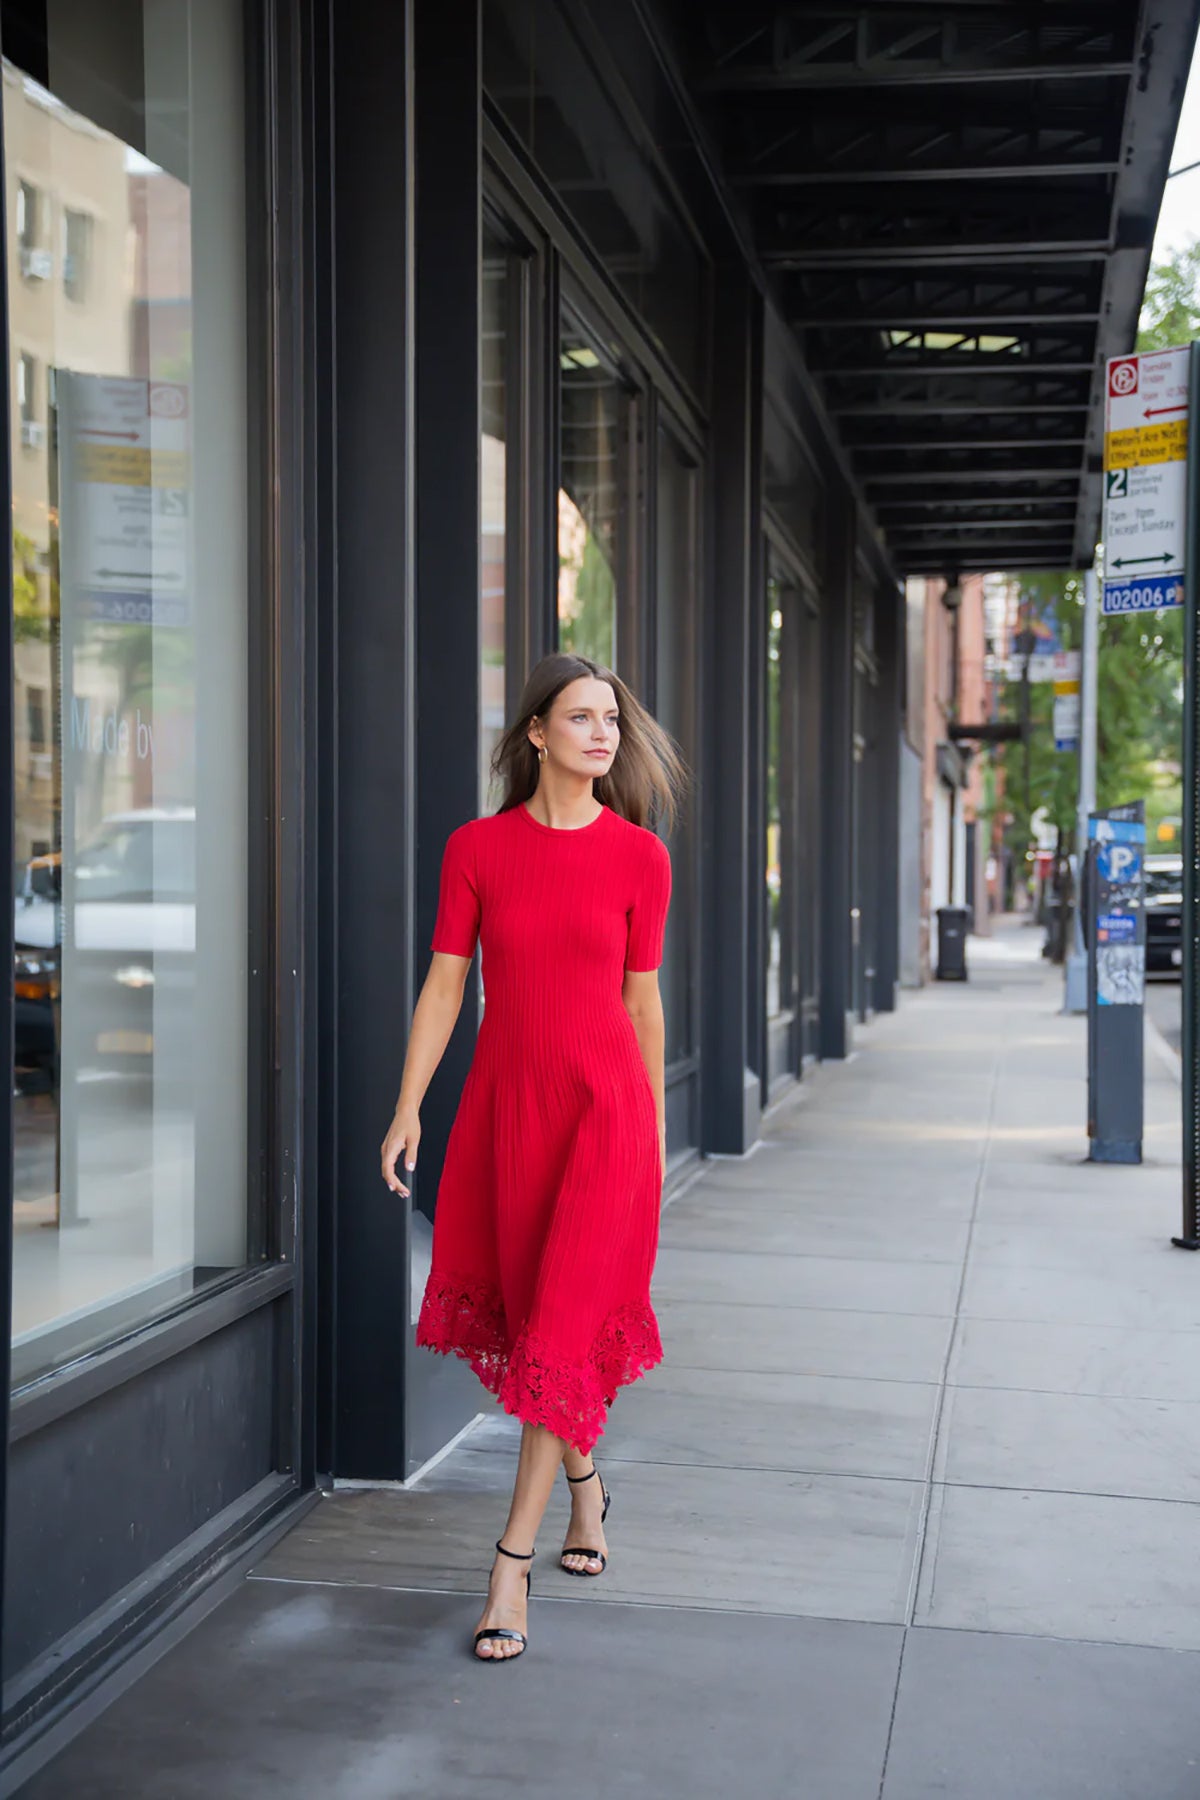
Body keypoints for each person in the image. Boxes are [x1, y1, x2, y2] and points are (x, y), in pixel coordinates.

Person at [380, 651, 687, 1663]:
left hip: (605, 1124)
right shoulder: (477, 849)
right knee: (535, 1329)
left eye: (613, 719)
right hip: (511, 1120)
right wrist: (408, 1108)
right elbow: (443, 987)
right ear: (535, 736)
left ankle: (507, 1568)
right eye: (583, 717)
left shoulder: (641, 856)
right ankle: (588, 1493)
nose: (606, 734)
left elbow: (642, 1003)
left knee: (557, 1335)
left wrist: (647, 1133)